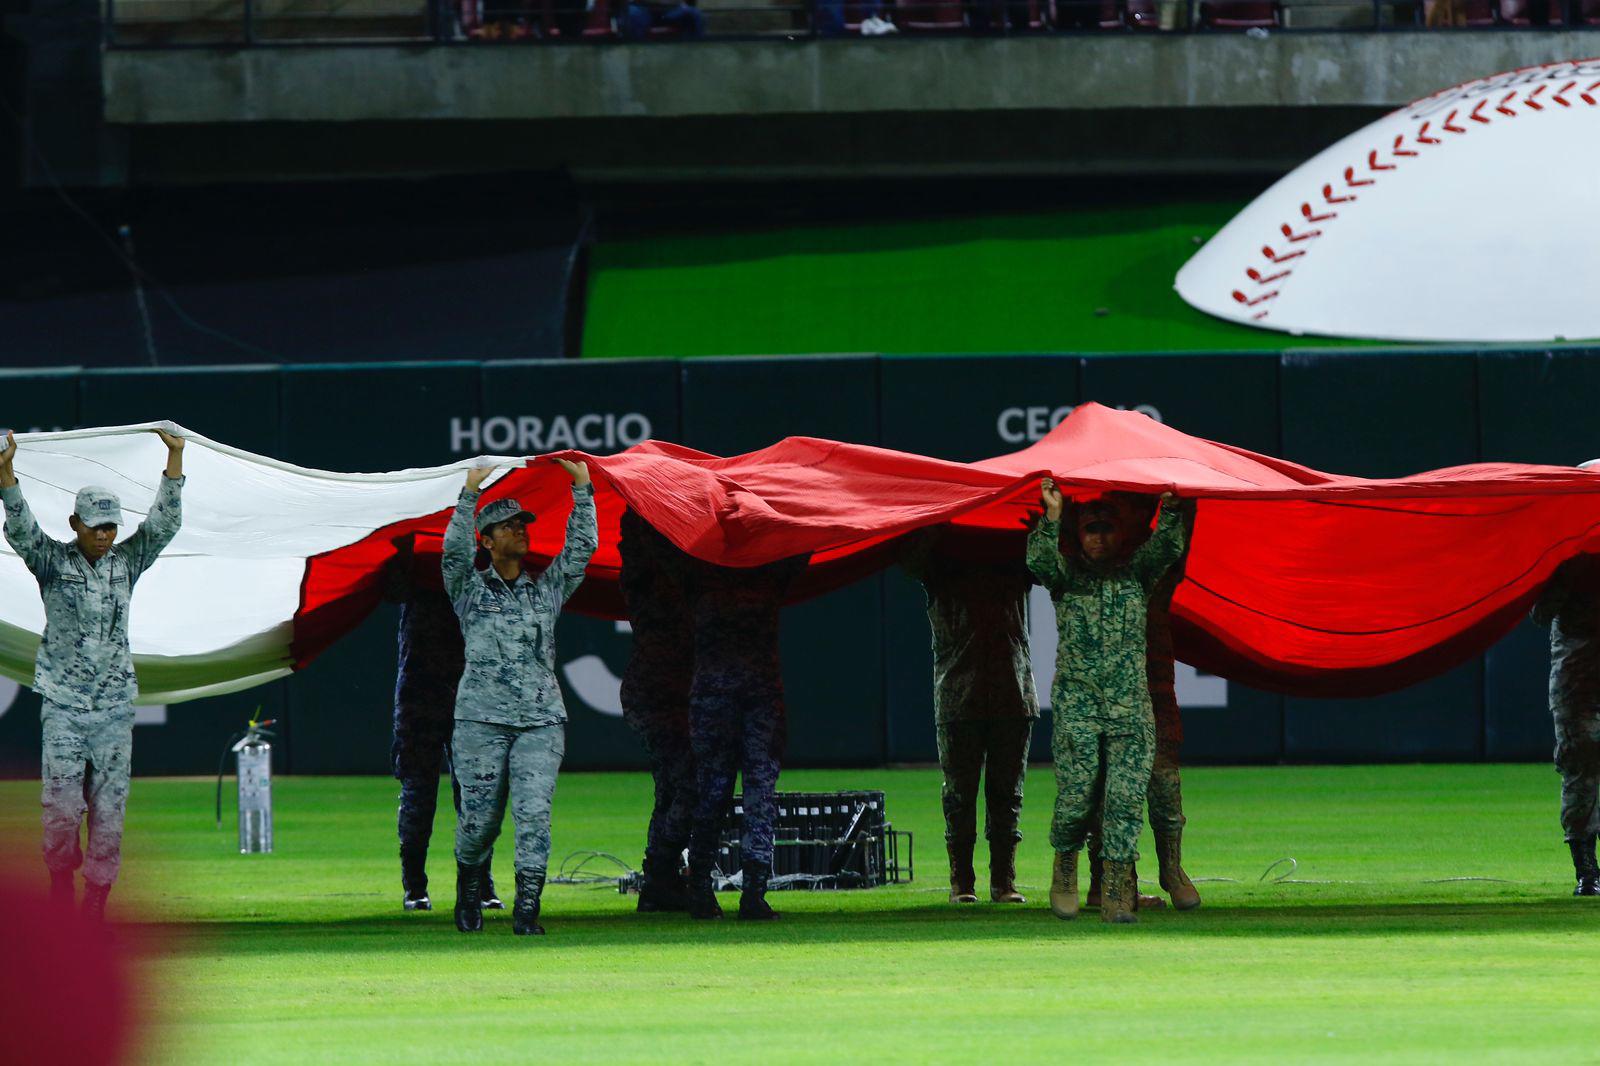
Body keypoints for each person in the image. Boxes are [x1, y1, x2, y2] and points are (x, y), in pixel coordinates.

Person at [0, 427, 186, 923]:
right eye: (96, 526)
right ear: (75, 523)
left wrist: (175, 457)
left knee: (110, 811)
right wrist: (5, 473)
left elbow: (164, 525)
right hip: (62, 704)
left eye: (111, 526)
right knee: (60, 811)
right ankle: (61, 878)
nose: (105, 534)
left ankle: (97, 899)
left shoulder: (128, 561)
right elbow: (20, 528)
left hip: (113, 707)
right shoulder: (52, 561)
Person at [444, 458, 597, 936]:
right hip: (480, 721)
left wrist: (583, 490)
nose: (518, 532)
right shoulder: (469, 588)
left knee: (534, 817)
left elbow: (581, 550)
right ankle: (469, 888)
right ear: (486, 541)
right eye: (506, 527)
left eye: (521, 525)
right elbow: (451, 553)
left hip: (539, 721)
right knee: (480, 823)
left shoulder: (545, 590)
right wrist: (470, 494)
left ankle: (527, 909)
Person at [1027, 482, 1190, 924]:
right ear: (1078, 536)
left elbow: (1168, 546)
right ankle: (1065, 871)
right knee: (1078, 798)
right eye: (1090, 529)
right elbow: (1039, 562)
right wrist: (1053, 516)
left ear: (1121, 536)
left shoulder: (1137, 573)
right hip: (1079, 706)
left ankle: (1118, 888)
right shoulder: (1067, 578)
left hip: (1131, 710)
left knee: (1124, 800)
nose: (1098, 537)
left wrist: (1173, 508)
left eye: (1106, 529)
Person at [899, 525, 1037, 906]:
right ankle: (961, 880)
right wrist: (940, 517)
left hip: (1012, 691)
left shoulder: (1014, 557)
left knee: (1007, 793)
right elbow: (907, 559)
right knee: (959, 795)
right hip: (960, 694)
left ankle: (1003, 881)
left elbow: (1047, 565)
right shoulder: (940, 564)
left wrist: (1042, 522)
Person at [1084, 493, 1202, 912]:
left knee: (1165, 781)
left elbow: (1176, 546)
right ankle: (1112, 885)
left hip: (1154, 686)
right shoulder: (1086, 568)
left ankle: (1172, 869)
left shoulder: (1152, 566)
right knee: (1104, 792)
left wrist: (1183, 502)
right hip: (1105, 697)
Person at [676, 550, 809, 921]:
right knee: (726, 794)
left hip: (744, 700)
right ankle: (716, 889)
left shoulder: (702, 569)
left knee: (748, 793)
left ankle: (737, 891)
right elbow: (801, 546)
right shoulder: (715, 569)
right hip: (740, 699)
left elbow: (801, 545)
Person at [382, 542, 500, 914]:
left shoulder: (481, 554)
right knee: (419, 794)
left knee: (476, 796)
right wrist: (405, 545)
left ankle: (479, 881)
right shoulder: (416, 547)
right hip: (421, 692)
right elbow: (390, 587)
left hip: (470, 691)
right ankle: (414, 884)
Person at [617, 508, 697, 912]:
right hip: (656, 694)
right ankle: (662, 871)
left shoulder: (674, 574)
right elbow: (636, 551)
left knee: (672, 788)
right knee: (687, 785)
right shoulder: (646, 578)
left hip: (676, 693)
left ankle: (660, 881)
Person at [1532, 552, 1600, 896]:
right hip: (1577, 684)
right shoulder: (1570, 561)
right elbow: (1540, 613)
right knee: (1580, 770)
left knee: (1581, 773)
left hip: (1576, 680)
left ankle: (1588, 874)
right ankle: (1587, 871)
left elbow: (1539, 614)